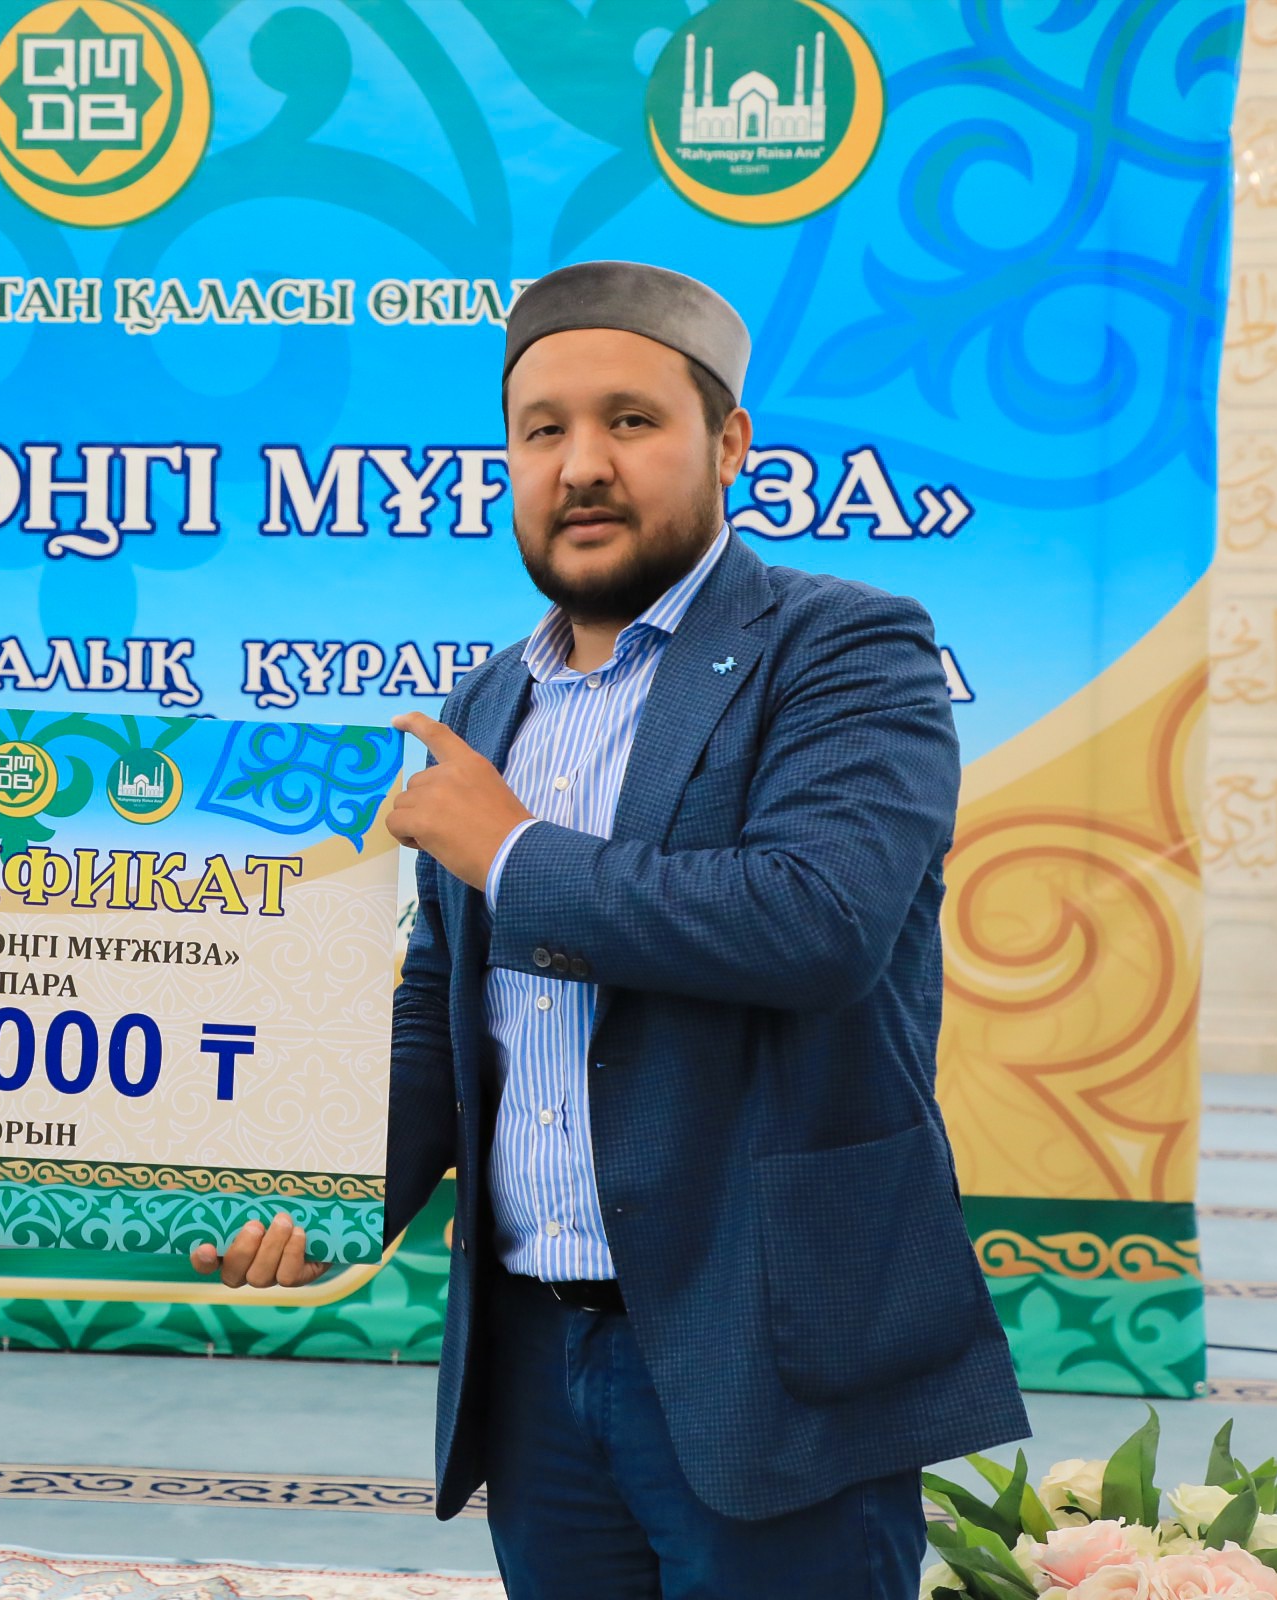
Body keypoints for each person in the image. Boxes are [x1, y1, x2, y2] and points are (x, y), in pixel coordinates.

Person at [194, 261, 1028, 1599]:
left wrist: (513, 854)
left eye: (630, 421)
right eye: (544, 431)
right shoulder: (486, 704)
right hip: (533, 1362)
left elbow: (816, 921)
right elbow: (438, 1008)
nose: (582, 464)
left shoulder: (846, 649)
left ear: (730, 443)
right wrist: (312, 1195)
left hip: (768, 1351)